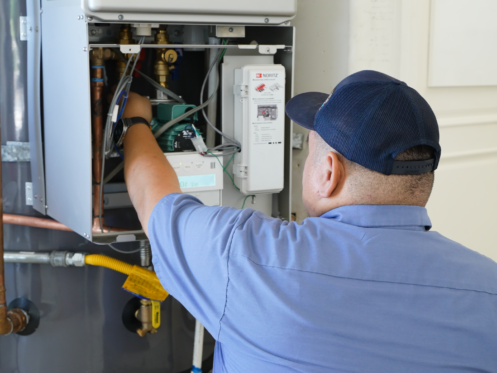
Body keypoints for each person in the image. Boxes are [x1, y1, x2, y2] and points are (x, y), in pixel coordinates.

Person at [121, 70, 497, 372]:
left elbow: (152, 197)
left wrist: (136, 118)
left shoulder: (244, 256)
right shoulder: (489, 288)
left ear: (329, 172)